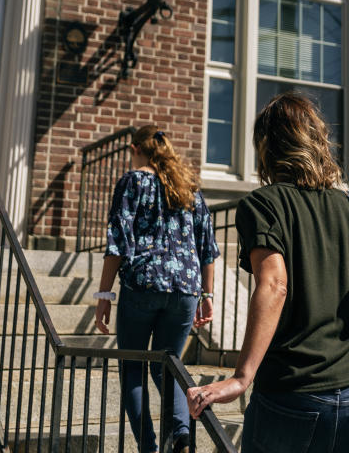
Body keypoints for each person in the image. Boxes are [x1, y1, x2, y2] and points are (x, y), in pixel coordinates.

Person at [185, 92, 349, 453]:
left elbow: (274, 284)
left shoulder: (263, 204)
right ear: (317, 141)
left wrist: (241, 377)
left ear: (267, 146)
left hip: (294, 397)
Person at [94, 125, 219, 453]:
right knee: (169, 363)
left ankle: (149, 449)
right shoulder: (188, 187)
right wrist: (208, 296)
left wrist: (104, 295)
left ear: (136, 149)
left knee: (132, 367)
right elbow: (207, 248)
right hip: (186, 290)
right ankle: (180, 433)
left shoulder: (133, 180)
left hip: (144, 284)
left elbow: (118, 242)